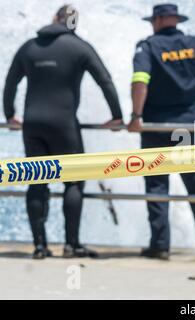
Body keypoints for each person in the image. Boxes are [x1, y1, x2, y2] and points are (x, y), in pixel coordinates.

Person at [3, 5, 124, 259]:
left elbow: (10, 83)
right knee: (73, 182)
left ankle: (39, 246)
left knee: (37, 182)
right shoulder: (79, 47)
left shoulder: (29, 47)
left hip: (33, 125)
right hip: (64, 125)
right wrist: (117, 116)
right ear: (73, 23)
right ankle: (71, 246)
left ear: (55, 18)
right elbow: (105, 80)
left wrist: (9, 115)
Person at [128, 3, 195, 260]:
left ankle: (160, 246)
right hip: (189, 125)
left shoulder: (147, 47)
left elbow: (140, 81)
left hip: (157, 126)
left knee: (158, 188)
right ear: (175, 20)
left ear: (158, 20)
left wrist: (136, 116)